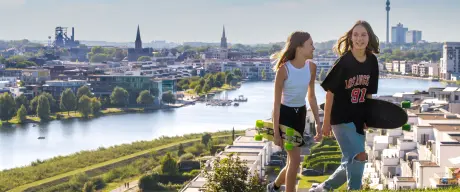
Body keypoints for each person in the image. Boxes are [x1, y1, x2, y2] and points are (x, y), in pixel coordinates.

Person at [309, 20, 380, 191]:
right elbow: (329, 93)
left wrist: (367, 117)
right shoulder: (344, 62)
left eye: (363, 34)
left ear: (369, 37)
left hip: (358, 118)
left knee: (351, 160)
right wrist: (326, 123)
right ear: (350, 38)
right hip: (340, 118)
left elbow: (369, 93)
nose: (359, 38)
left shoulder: (372, 62)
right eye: (355, 35)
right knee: (360, 156)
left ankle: (323, 188)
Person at [266, 31, 321, 192]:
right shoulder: (284, 70)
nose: (314, 48)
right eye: (310, 44)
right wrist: (276, 132)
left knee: (293, 161)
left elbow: (311, 97)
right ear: (299, 47)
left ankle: (274, 186)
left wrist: (318, 122)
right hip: (286, 115)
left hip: (300, 114)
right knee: (295, 160)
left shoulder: (312, 67)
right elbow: (276, 105)